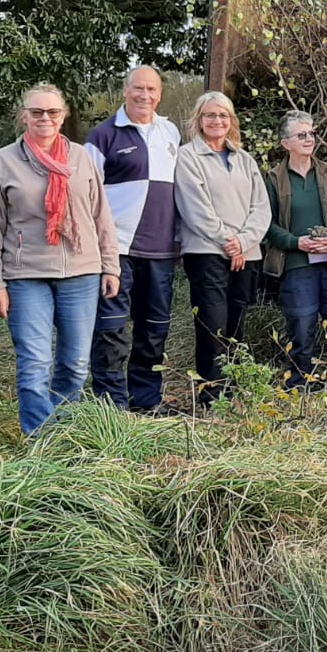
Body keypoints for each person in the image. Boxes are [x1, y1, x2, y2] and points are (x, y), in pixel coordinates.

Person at [0, 85, 120, 435]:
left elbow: (101, 214)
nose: (45, 119)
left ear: (64, 115)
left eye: (53, 112)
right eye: (37, 112)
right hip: (26, 274)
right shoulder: (4, 160)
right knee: (35, 364)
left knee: (75, 364)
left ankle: (63, 433)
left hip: (82, 271)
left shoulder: (81, 157)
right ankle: (39, 440)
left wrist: (110, 265)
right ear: (24, 115)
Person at [86, 66, 181, 414]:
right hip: (117, 250)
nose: (145, 95)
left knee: (153, 330)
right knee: (112, 330)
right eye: (138, 88)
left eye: (152, 89)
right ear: (125, 90)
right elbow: (86, 194)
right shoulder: (102, 136)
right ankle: (111, 406)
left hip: (161, 250)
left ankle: (146, 402)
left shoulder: (170, 132)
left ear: (160, 94)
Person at [174, 91, 271, 407]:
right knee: (212, 326)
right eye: (210, 115)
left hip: (247, 254)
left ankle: (237, 393)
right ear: (199, 120)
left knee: (237, 327)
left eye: (223, 115)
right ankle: (212, 398)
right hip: (207, 253)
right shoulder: (188, 157)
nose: (217, 121)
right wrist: (228, 242)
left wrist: (243, 242)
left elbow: (262, 208)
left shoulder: (245, 160)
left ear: (232, 122)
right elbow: (195, 208)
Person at [262, 111, 327, 391]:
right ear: (285, 143)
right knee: (302, 326)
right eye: (301, 135)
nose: (309, 139)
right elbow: (266, 224)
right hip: (296, 265)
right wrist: (296, 243)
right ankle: (299, 385)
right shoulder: (273, 179)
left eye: (311, 134)